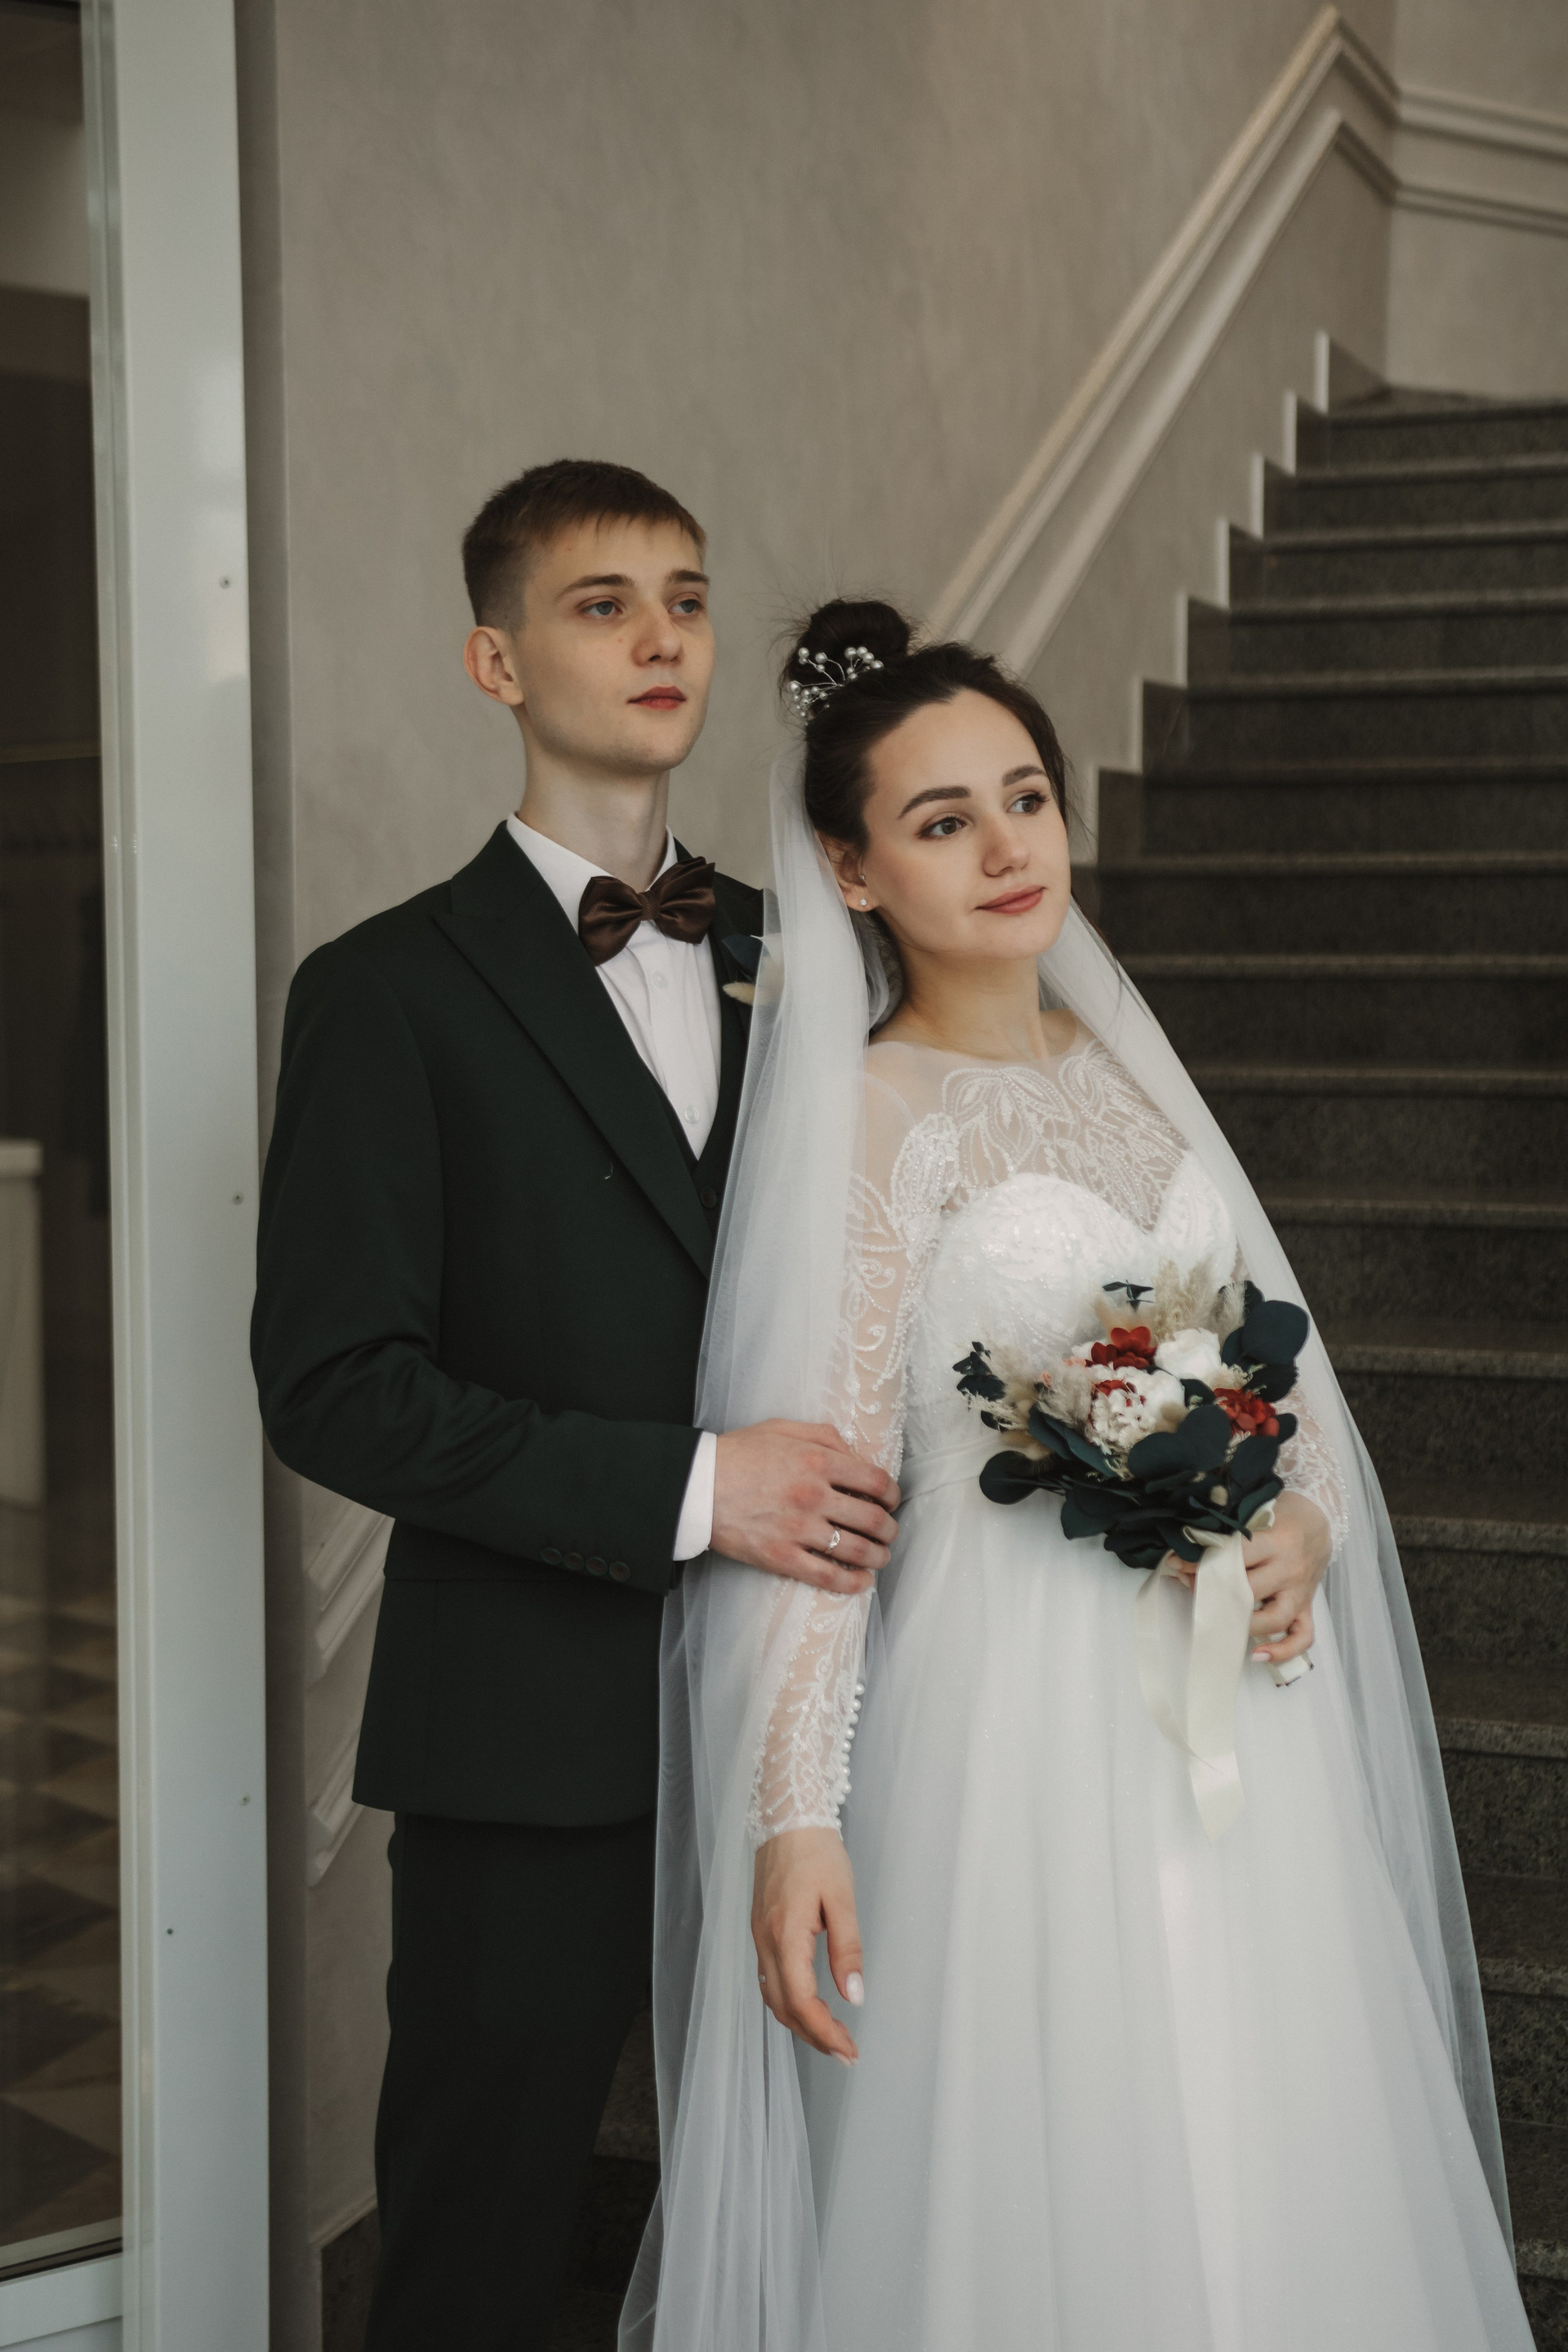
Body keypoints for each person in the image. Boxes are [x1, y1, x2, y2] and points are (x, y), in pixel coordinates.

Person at [626, 599, 1535, 2351]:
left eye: (1025, 798)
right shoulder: (869, 1113)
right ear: (852, 870)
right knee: (1055, 2166)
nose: (1005, 847)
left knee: (1260, 2139)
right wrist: (793, 1815)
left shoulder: (1132, 1083)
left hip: (1230, 1714)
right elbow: (825, 1500)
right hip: (1007, 1734)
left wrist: (1301, 1519)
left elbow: (1290, 1386)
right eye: (942, 819)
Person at [250, 466, 900, 2350]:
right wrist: (698, 1488)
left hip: (812, 1722)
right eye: (602, 603)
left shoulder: (818, 953)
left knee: (837, 2222)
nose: (661, 636)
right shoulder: (386, 990)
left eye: (686, 598)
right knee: (474, 2248)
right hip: (523, 1738)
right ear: (496, 661)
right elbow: (338, 1390)